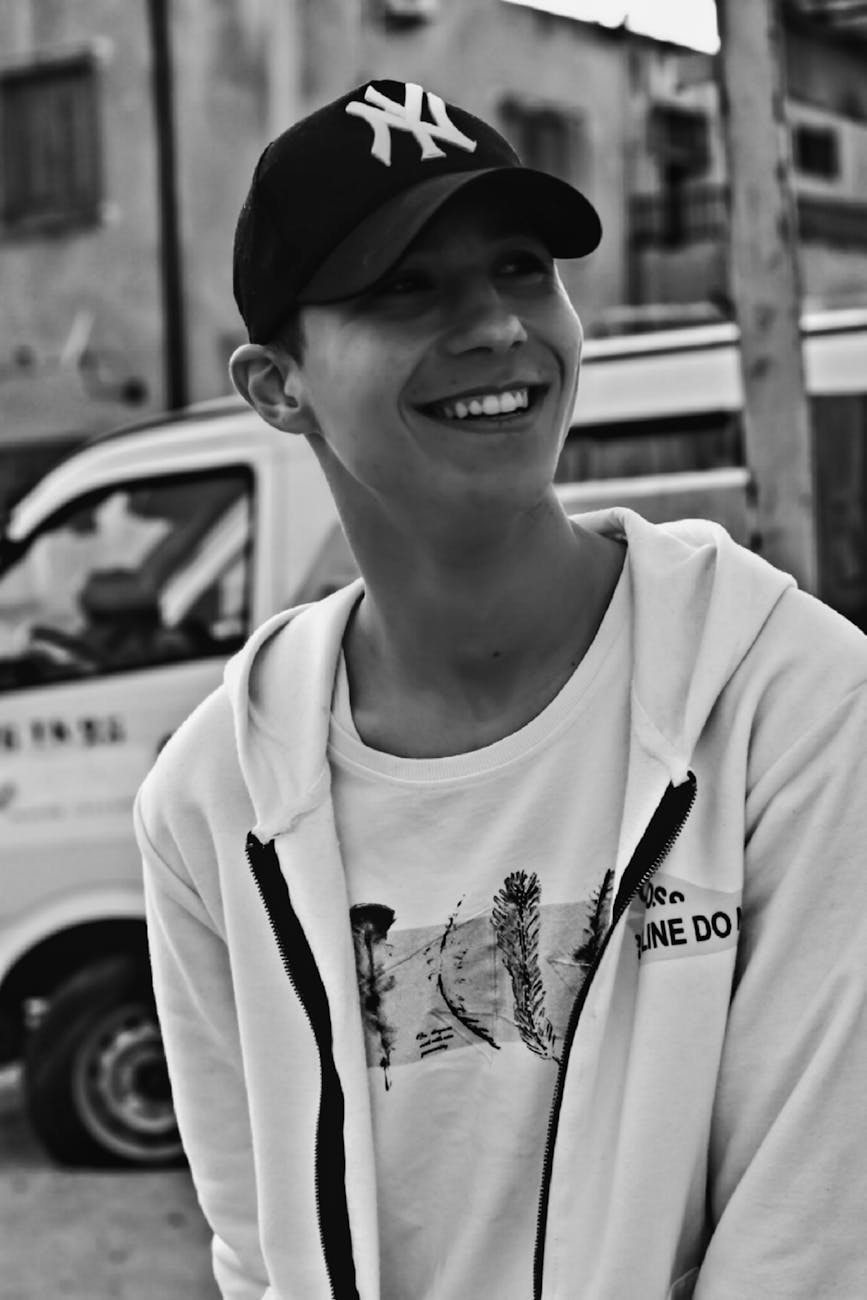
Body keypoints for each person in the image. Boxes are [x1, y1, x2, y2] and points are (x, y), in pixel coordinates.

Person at [134, 79, 867, 1300]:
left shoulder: (787, 704)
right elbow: (262, 1253)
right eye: (404, 287)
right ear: (276, 385)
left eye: (522, 268)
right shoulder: (215, 800)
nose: (493, 327)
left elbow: (812, 1238)